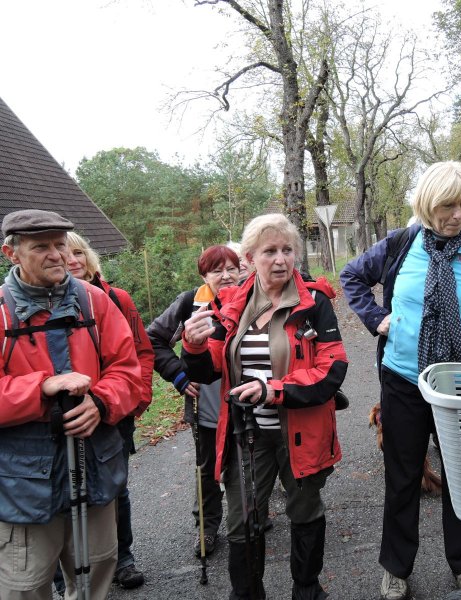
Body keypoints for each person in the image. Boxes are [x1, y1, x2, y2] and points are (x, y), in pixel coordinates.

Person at [340, 161, 461, 600]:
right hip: (404, 380)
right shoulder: (401, 244)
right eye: (448, 205)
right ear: (427, 205)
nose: (458, 215)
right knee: (402, 475)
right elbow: (352, 276)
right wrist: (377, 319)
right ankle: (396, 568)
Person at [181, 214, 347, 600]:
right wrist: (191, 346)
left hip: (303, 432)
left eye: (287, 250)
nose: (280, 259)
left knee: (305, 510)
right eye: (270, 251)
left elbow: (332, 370)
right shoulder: (233, 303)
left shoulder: (315, 302)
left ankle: (306, 589)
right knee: (243, 520)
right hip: (247, 432)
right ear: (250, 258)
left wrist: (274, 390)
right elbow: (209, 370)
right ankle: (248, 593)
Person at [0, 209, 141, 599]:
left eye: (60, 244)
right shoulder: (0, 311)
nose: (57, 255)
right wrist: (41, 389)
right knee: (24, 586)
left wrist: (101, 400)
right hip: (23, 482)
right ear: (11, 254)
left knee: (97, 570)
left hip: (93, 467)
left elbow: (128, 370)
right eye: (40, 247)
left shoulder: (95, 302)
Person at [64, 232, 155, 591]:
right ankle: (69, 570)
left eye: (77, 252)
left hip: (115, 410)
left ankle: (122, 558)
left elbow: (141, 351)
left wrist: (139, 396)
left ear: (88, 256)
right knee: (65, 490)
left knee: (114, 486)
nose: (71, 259)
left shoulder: (116, 299)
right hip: (66, 414)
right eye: (63, 253)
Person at [146, 245, 244, 558]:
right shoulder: (190, 303)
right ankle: (206, 528)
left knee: (245, 466)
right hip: (207, 407)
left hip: (247, 406)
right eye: (217, 270)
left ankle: (247, 517)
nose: (226, 275)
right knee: (208, 470)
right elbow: (152, 339)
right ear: (204, 275)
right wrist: (177, 374)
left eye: (232, 268)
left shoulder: (252, 298)